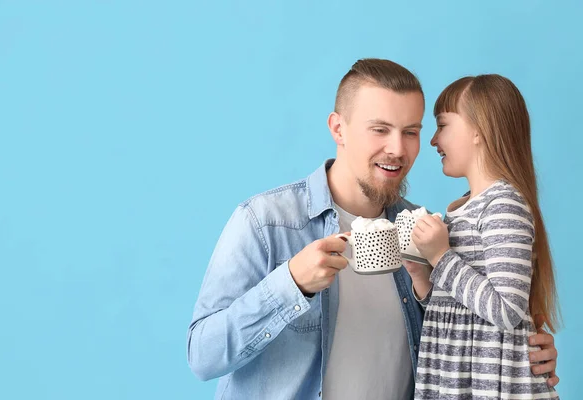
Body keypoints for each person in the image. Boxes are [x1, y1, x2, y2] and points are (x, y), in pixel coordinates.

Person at [187, 59, 560, 400]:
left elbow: (463, 329)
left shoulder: (424, 231)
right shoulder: (266, 222)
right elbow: (202, 356)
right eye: (380, 129)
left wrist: (519, 355)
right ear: (339, 128)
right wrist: (291, 283)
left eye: (411, 131)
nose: (397, 149)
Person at [408, 74, 561, 399]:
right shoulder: (463, 209)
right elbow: (462, 306)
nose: (434, 140)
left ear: (479, 129)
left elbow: (506, 309)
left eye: (442, 125)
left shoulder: (503, 206)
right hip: (460, 379)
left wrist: (441, 258)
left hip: (492, 386)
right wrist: (425, 281)